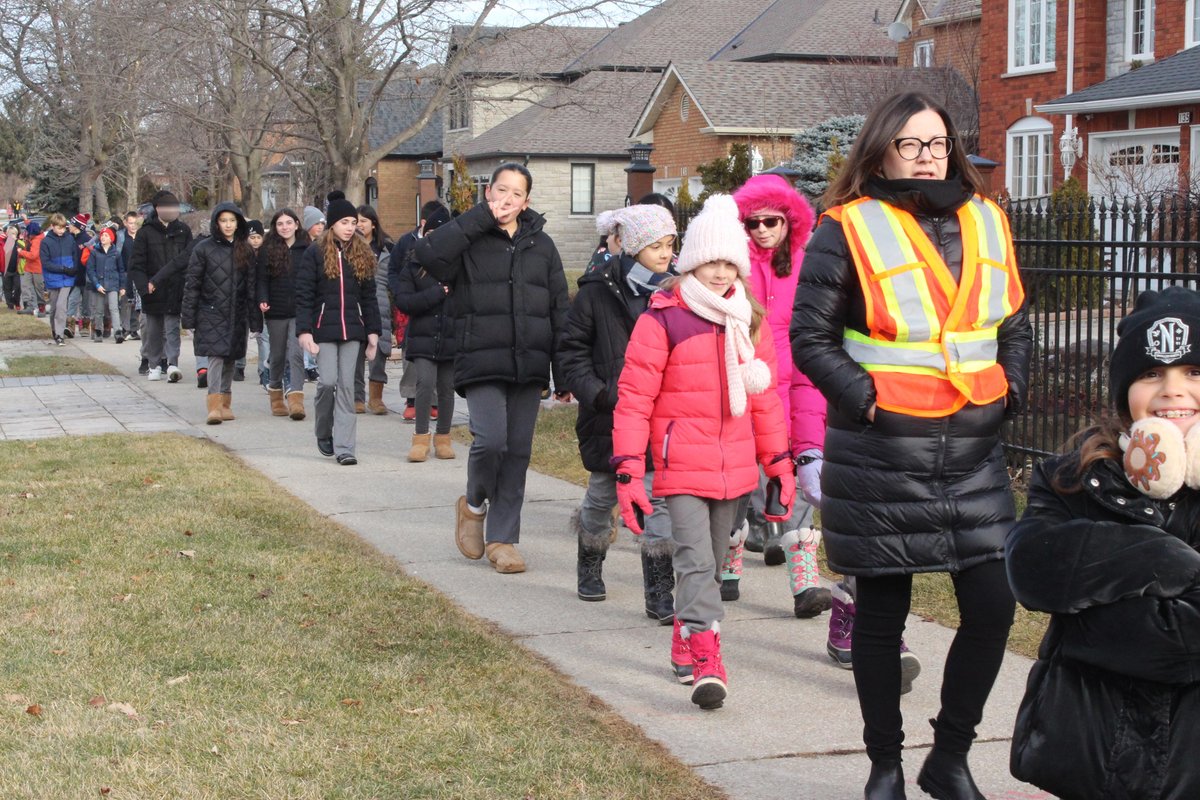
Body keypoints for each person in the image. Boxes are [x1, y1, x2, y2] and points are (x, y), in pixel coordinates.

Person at [790, 91, 1032, 799]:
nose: (927, 157)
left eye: (937, 143)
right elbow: (810, 338)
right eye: (911, 144)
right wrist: (865, 401)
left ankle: (948, 759)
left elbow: (1014, 323)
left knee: (993, 607)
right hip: (882, 453)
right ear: (882, 150)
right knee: (880, 616)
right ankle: (885, 768)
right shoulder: (846, 227)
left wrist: (1011, 391)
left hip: (974, 454)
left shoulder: (987, 218)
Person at [1006, 286, 1200, 800]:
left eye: (1194, 372)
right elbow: (1031, 568)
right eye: (1151, 374)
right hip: (1087, 753)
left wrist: (1086, 618)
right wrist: (1160, 558)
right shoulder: (1074, 478)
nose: (1173, 391)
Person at [612, 193, 794, 709]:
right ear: (691, 262)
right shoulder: (663, 319)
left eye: (729, 264)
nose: (719, 273)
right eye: (710, 262)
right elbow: (634, 399)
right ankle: (708, 656)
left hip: (734, 467)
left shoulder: (749, 321)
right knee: (694, 561)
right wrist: (629, 469)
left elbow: (765, 400)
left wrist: (778, 464)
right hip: (681, 464)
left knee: (712, 565)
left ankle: (685, 631)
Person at [414, 163, 570, 575]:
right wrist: (479, 218)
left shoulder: (543, 246)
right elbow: (426, 254)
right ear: (489, 193)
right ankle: (473, 504)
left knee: (517, 451)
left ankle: (503, 540)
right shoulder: (468, 237)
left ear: (527, 201)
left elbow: (559, 309)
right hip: (480, 357)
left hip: (529, 361)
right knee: (491, 441)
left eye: (516, 193)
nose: (507, 199)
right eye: (501, 190)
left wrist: (563, 373)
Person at [557, 203, 678, 617]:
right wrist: (600, 394)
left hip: (659, 417)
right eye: (656, 246)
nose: (665, 254)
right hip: (609, 416)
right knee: (602, 495)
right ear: (633, 246)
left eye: (670, 244)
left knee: (657, 500)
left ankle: (660, 591)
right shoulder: (597, 292)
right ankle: (590, 563)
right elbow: (571, 352)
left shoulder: (676, 293)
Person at [724, 174, 830, 618]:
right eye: (753, 222)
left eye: (772, 221)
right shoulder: (730, 268)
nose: (763, 230)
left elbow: (815, 336)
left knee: (796, 484)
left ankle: (805, 584)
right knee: (736, 484)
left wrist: (811, 426)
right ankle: (727, 565)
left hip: (792, 391)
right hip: (739, 393)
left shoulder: (808, 268)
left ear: (790, 221)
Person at [294, 196, 381, 465]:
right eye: (344, 222)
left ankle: (345, 447)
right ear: (332, 224)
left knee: (346, 386)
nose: (350, 227)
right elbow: (304, 295)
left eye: (353, 222)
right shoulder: (315, 253)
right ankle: (323, 430)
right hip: (324, 329)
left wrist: (373, 333)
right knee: (328, 382)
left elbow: (369, 297)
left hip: (353, 329)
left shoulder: (362, 252)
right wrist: (304, 331)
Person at [182, 203, 257, 424]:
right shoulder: (203, 248)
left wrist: (255, 319)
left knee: (231, 357)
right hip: (211, 311)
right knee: (215, 356)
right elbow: (192, 284)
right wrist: (188, 317)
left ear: (238, 223)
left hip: (237, 311)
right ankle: (213, 404)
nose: (228, 225)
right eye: (224, 221)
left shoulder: (245, 249)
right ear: (216, 223)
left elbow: (251, 286)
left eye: (232, 221)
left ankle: (225, 401)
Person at [391, 208, 455, 461]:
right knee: (425, 383)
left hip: (450, 335)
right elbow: (404, 301)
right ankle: (420, 438)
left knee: (447, 387)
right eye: (430, 234)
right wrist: (436, 293)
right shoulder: (413, 266)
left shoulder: (457, 266)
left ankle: (444, 437)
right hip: (422, 336)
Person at [130, 190, 193, 382]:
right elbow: (136, 264)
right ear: (157, 209)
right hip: (152, 289)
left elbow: (189, 259)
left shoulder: (183, 231)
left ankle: (172, 363)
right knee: (153, 329)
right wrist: (144, 286)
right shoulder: (145, 233)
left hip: (176, 287)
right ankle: (154, 365)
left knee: (172, 327)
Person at [257, 209, 311, 420]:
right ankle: (276, 394)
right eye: (280, 224)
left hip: (300, 310)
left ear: (297, 224)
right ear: (275, 227)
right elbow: (262, 279)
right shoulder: (267, 249)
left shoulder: (307, 248)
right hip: (276, 311)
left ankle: (296, 399)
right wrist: (263, 298)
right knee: (278, 354)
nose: (285, 227)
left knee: (296, 353)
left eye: (289, 223)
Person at [354, 204, 394, 415]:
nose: (359, 225)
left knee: (379, 352)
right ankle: (357, 397)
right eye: (356, 221)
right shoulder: (349, 247)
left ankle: (376, 398)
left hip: (380, 307)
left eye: (364, 221)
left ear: (373, 224)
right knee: (355, 353)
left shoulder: (387, 249)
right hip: (355, 305)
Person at [38, 213, 80, 346]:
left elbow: (75, 255)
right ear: (52, 226)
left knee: (61, 306)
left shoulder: (70, 239)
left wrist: (74, 268)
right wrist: (63, 269)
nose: (62, 230)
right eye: (59, 228)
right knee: (55, 308)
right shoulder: (46, 242)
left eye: (63, 228)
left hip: (67, 278)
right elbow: (46, 263)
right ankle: (55, 330)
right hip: (52, 278)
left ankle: (60, 334)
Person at [86, 225, 126, 343]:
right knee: (98, 310)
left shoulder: (116, 253)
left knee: (114, 308)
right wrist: (97, 284)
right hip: (99, 284)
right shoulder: (95, 252)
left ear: (111, 238)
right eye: (102, 235)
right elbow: (90, 269)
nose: (103, 237)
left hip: (113, 284)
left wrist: (122, 286)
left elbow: (121, 270)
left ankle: (118, 332)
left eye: (106, 235)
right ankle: (98, 331)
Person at [118, 211, 141, 342]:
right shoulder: (122, 238)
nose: (133, 226)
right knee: (126, 301)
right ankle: (125, 328)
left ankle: (134, 329)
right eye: (130, 223)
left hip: (139, 273)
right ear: (126, 223)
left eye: (135, 223)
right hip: (126, 273)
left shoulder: (141, 237)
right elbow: (118, 257)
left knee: (137, 303)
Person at [16, 221, 45, 318]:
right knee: (25, 286)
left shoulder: (37, 241)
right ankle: (28, 306)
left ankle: (41, 308)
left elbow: (33, 255)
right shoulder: (32, 239)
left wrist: (21, 252)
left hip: (37, 268)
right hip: (28, 267)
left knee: (38, 288)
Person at [2, 223, 20, 309]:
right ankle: (10, 304)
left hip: (16, 270)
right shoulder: (3, 243)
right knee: (7, 288)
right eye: (11, 234)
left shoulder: (19, 243)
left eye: (14, 234)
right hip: (6, 270)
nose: (12, 236)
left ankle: (16, 302)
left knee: (17, 287)